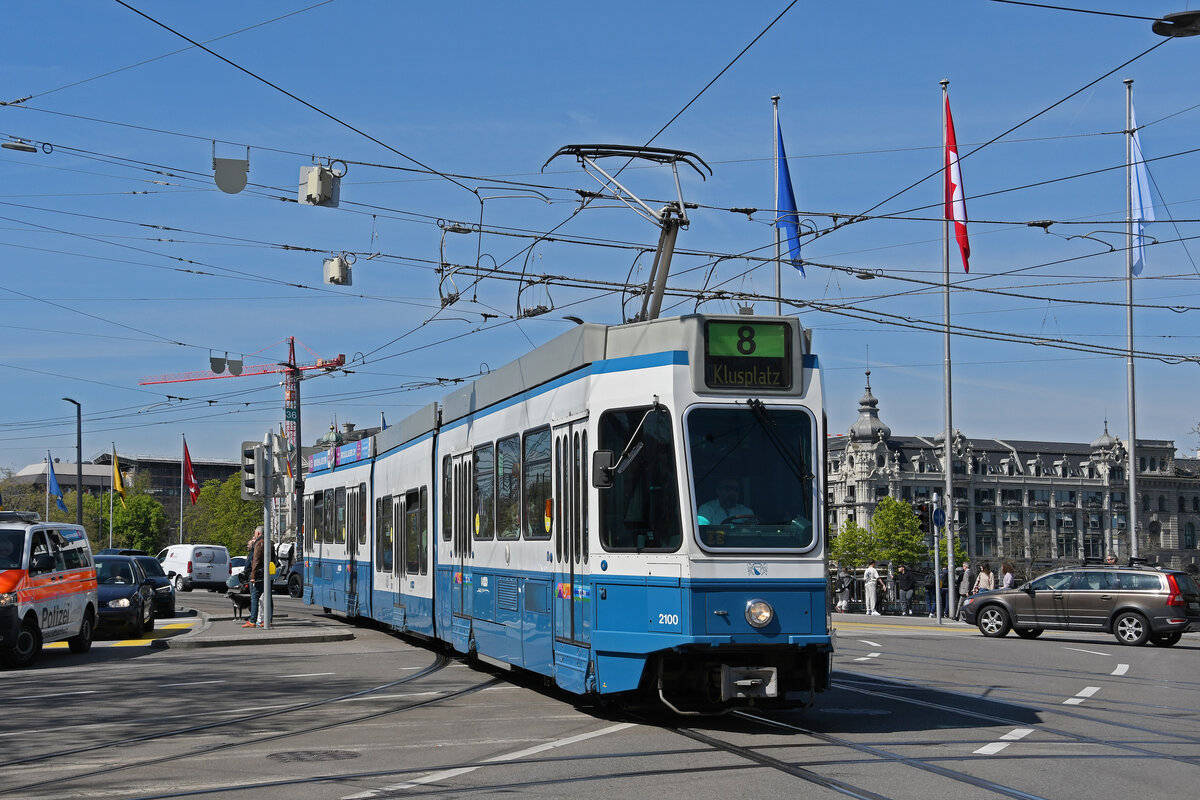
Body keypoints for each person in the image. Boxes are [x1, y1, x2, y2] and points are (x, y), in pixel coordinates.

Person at [244, 527, 264, 629]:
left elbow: (255, 560)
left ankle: (253, 620)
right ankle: (264, 620)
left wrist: (253, 576)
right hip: (264, 574)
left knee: (255, 597)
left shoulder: (259, 544)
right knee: (265, 598)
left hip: (258, 576)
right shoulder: (268, 543)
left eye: (255, 534)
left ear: (258, 533)